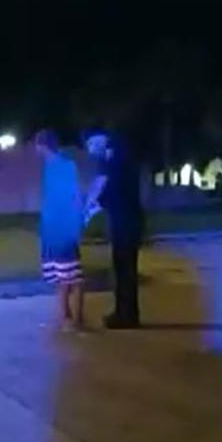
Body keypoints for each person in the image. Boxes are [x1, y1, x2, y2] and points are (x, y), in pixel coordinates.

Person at [84, 128, 143, 329]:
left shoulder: (119, 159)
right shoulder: (113, 159)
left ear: (101, 140)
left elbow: (112, 190)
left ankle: (126, 316)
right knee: (122, 270)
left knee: (124, 271)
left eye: (91, 145)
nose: (90, 151)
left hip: (126, 223)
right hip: (123, 222)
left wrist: (94, 204)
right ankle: (125, 313)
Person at [35, 130, 86, 331]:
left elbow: (73, 197)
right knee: (62, 276)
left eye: (37, 145)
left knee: (73, 277)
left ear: (44, 145)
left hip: (62, 229)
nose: (36, 150)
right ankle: (67, 316)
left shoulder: (64, 166)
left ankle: (75, 319)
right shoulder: (51, 166)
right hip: (53, 229)